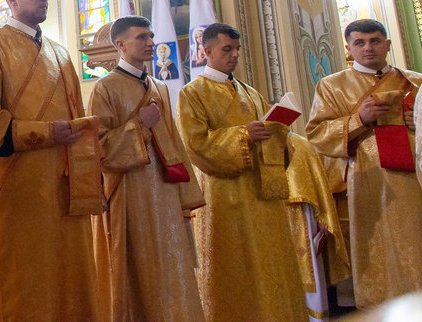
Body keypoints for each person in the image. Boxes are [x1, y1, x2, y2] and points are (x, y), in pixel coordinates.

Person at [0, 0, 104, 320]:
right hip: (20, 185)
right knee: (25, 279)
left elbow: (77, 116)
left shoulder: (61, 53)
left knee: (69, 275)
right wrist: (47, 133)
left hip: (65, 184)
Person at [176, 22, 306, 320]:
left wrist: (277, 131)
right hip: (226, 197)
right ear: (207, 51)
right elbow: (194, 145)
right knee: (237, 265)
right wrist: (243, 135)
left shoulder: (250, 92)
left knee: (272, 263)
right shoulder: (192, 93)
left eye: (237, 49)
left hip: (263, 192)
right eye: (227, 49)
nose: (234, 55)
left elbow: (271, 138)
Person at [88, 16, 204, 321]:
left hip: (165, 193)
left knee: (171, 266)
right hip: (129, 193)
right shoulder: (105, 88)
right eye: (142, 37)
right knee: (137, 270)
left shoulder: (159, 87)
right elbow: (98, 149)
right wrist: (139, 126)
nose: (151, 42)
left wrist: (183, 196)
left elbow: (173, 141)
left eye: (151, 36)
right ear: (121, 44)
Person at [306, 18, 422, 309]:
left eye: (374, 41)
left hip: (417, 178)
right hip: (368, 182)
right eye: (359, 42)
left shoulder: (416, 81)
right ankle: (383, 308)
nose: (368, 48)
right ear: (349, 48)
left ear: (387, 44)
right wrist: (359, 119)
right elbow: (317, 134)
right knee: (382, 249)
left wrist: (419, 122)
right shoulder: (331, 86)